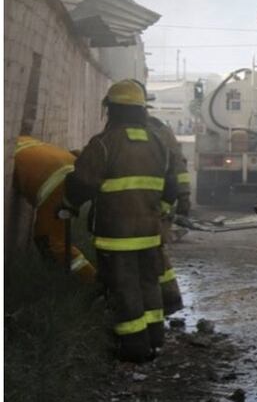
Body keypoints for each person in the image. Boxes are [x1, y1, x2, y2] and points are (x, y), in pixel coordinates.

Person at [63, 80, 178, 362]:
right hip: (150, 233)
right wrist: (158, 213)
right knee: (149, 283)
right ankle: (155, 339)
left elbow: (81, 183)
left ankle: (134, 348)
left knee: (124, 287)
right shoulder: (157, 143)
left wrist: (68, 205)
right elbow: (171, 185)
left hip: (116, 234)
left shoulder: (104, 144)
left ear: (112, 109)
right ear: (141, 110)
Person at [12, 135, 95, 282]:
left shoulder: (14, 141)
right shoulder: (18, 139)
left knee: (50, 240)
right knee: (50, 240)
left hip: (59, 180)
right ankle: (81, 276)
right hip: (64, 175)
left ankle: (85, 277)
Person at [146, 113, 190, 316]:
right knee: (155, 253)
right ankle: (168, 301)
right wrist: (183, 197)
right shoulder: (160, 130)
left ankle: (162, 303)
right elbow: (178, 166)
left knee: (151, 254)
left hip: (152, 207)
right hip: (158, 204)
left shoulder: (113, 135)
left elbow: (177, 166)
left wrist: (184, 197)